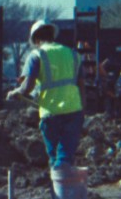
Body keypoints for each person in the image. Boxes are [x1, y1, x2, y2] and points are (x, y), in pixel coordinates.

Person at [6, 20, 85, 173]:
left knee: (56, 158)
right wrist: (82, 111)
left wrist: (15, 92)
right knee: (66, 155)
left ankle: (60, 183)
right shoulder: (74, 55)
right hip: (74, 111)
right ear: (53, 35)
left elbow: (27, 87)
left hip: (51, 112)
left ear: (36, 39)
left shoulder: (37, 55)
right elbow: (81, 86)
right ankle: (66, 183)